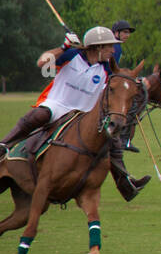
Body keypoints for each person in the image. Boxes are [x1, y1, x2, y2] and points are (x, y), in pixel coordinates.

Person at [0, 26, 151, 200]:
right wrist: (63, 47)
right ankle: (4, 145)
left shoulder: (106, 68)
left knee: (113, 141)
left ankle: (125, 184)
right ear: (98, 47)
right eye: (109, 46)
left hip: (83, 114)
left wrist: (139, 84)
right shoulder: (71, 56)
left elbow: (120, 83)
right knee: (39, 116)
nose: (113, 50)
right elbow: (42, 62)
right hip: (58, 105)